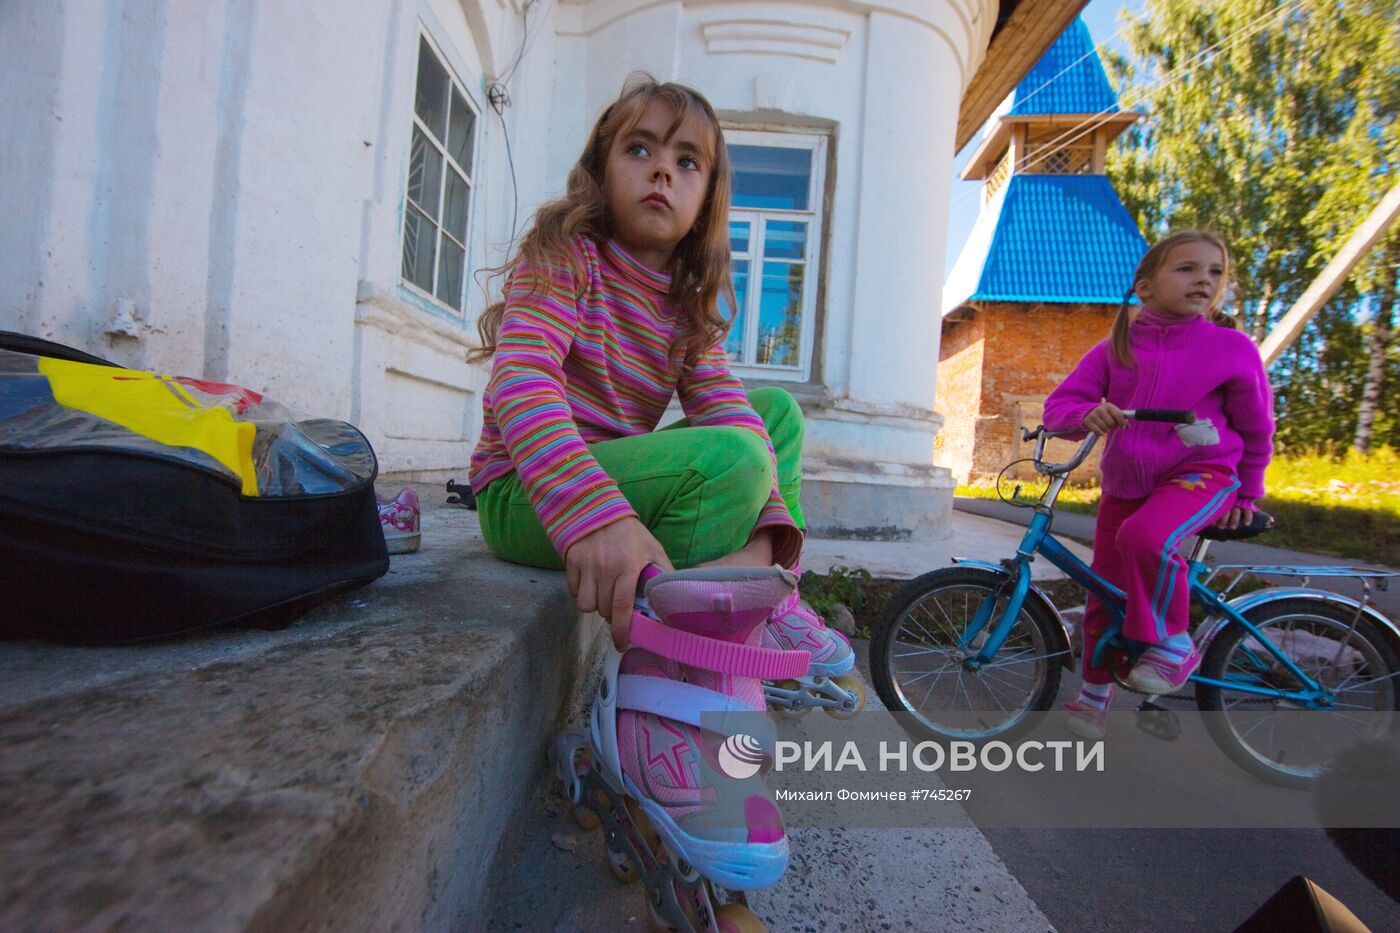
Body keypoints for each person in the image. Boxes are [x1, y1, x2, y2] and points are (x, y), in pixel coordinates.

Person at [466, 74, 850, 902]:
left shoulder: (687, 304)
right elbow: (522, 382)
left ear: (708, 195)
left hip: (625, 488)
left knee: (773, 414)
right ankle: (655, 699)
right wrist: (594, 514)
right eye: (639, 149)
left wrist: (762, 544)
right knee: (737, 459)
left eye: (688, 161)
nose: (661, 172)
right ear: (602, 167)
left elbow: (741, 426)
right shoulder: (564, 254)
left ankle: (748, 595)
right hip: (530, 493)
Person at [1043, 231, 1275, 739]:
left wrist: (1248, 491)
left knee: (1144, 539)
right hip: (1125, 486)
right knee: (1103, 589)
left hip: (1203, 474)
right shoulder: (1115, 349)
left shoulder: (1230, 348)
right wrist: (1087, 413)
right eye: (1188, 269)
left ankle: (1172, 641)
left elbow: (1257, 427)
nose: (1204, 280)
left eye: (1214, 272)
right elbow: (1058, 410)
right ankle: (1093, 697)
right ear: (1144, 287)